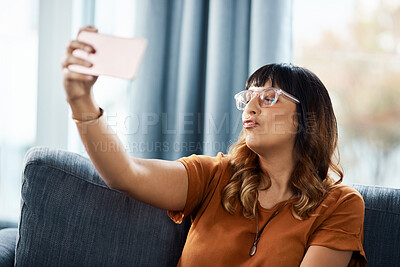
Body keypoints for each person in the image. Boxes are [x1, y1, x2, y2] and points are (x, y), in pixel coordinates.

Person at [61, 26, 367, 267]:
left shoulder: (340, 205)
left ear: (307, 119)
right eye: (248, 98)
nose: (250, 107)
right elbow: (127, 174)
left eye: (269, 97)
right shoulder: (215, 176)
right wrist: (80, 100)